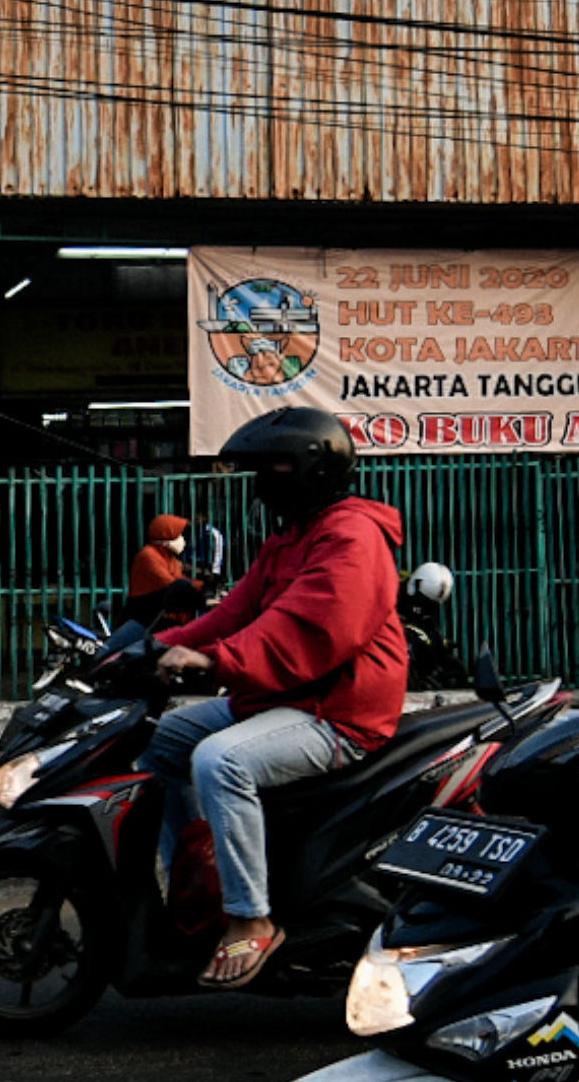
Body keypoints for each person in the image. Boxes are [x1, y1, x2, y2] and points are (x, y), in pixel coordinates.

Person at [140, 408, 408, 989]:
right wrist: (148, 646)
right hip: (284, 698)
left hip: (339, 711)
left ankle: (250, 917)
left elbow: (309, 627)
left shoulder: (352, 536)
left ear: (315, 468)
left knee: (220, 759)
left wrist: (217, 661)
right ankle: (195, 881)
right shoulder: (291, 537)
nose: (264, 478)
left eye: (275, 465)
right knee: (159, 742)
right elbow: (235, 612)